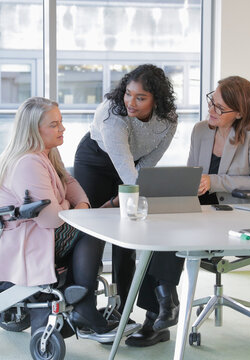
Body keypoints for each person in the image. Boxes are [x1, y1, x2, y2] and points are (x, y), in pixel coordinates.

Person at [127, 75, 250, 347]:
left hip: (234, 211)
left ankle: (157, 314)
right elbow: (191, 173)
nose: (212, 110)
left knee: (177, 230)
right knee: (157, 224)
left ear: (240, 112)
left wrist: (214, 181)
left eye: (220, 107)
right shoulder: (201, 130)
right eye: (212, 101)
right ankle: (164, 301)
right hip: (201, 204)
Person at [0, 97, 117, 338]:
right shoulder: (28, 162)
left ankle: (81, 304)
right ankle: (84, 307)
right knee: (91, 227)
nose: (62, 128)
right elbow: (51, 219)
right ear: (33, 130)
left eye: (61, 122)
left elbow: (74, 187)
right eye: (54, 124)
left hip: (28, 231)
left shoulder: (47, 155)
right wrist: (70, 205)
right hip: (5, 239)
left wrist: (73, 204)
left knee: (91, 222)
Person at [73, 64, 178, 313]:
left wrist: (139, 195)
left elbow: (148, 164)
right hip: (96, 162)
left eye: (141, 97)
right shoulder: (112, 114)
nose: (131, 101)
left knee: (127, 237)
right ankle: (83, 306)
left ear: (157, 100)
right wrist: (142, 198)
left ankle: (122, 309)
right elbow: (126, 169)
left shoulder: (168, 119)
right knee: (93, 232)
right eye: (128, 93)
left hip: (134, 167)